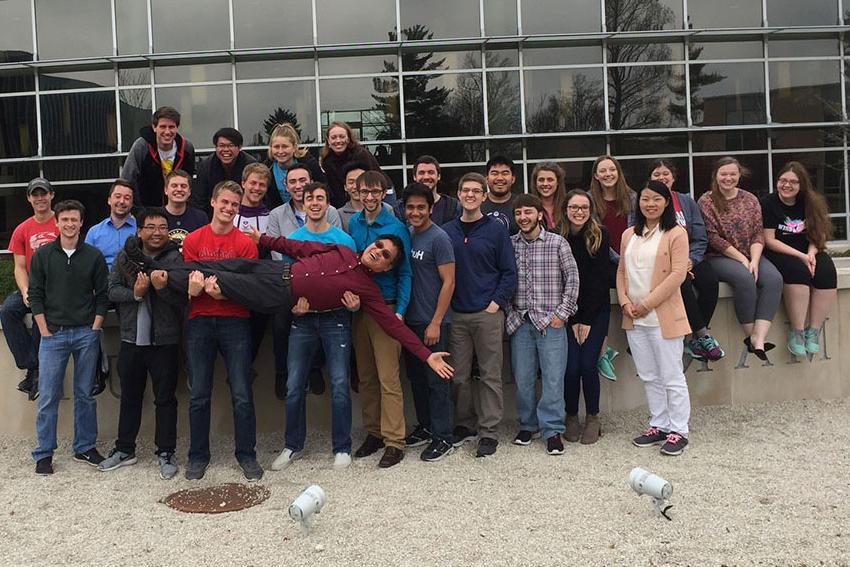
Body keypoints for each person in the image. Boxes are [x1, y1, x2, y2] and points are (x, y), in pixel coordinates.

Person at [266, 182, 358, 471]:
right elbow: (288, 280)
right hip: (303, 320)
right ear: (302, 204)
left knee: (340, 383)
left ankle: (342, 447)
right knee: (294, 385)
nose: (315, 203)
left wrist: (354, 303)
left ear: (328, 204)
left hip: (336, 318)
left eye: (321, 198)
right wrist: (293, 305)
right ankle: (293, 445)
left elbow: (352, 278)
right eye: (310, 199)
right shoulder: (293, 238)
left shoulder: (344, 240)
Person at [182, 180, 262, 482]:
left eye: (234, 205)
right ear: (213, 203)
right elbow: (185, 279)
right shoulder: (193, 240)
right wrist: (191, 290)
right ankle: (198, 456)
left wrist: (223, 294)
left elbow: (250, 288)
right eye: (225, 202)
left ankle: (247, 454)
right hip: (200, 320)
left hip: (235, 321)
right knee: (199, 393)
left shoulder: (245, 244)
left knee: (241, 392)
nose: (229, 208)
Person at [99, 208, 185, 479]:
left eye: (162, 227)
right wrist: (135, 294)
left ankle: (166, 452)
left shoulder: (175, 259)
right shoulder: (125, 257)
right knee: (130, 397)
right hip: (130, 339)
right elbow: (111, 289)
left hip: (165, 340)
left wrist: (161, 289)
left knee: (165, 399)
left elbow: (182, 299)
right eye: (151, 227)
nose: (157, 232)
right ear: (139, 231)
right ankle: (125, 449)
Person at [29, 200, 109, 475]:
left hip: (85, 333)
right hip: (52, 335)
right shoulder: (43, 256)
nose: (70, 224)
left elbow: (103, 294)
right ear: (57, 223)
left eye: (74, 219)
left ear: (81, 222)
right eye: (65, 220)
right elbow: (35, 294)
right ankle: (43, 453)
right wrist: (42, 328)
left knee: (84, 394)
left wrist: (96, 326)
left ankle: (85, 447)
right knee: (49, 396)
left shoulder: (93, 256)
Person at [443, 172, 517, 457]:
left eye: (476, 191)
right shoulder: (446, 230)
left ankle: (489, 431)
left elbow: (509, 272)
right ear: (459, 195)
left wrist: (496, 303)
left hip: (487, 313)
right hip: (457, 315)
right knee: (459, 375)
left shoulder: (495, 229)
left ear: (484, 197)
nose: (471, 195)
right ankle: (465, 423)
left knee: (490, 375)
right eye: (465, 190)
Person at [617, 180, 692, 456]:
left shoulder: (675, 233)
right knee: (649, 375)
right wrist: (625, 302)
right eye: (645, 199)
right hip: (634, 318)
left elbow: (677, 274)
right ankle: (659, 424)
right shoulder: (629, 234)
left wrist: (647, 303)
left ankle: (679, 430)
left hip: (662, 316)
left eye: (656, 200)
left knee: (671, 375)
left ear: (666, 203)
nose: (650, 204)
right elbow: (622, 272)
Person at [348, 170, 412, 469]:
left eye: (376, 192)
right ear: (356, 193)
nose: (370, 197)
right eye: (364, 192)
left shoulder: (397, 228)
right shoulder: (353, 223)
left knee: (389, 378)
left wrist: (400, 310)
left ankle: (394, 441)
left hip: (386, 308)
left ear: (384, 193)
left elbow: (406, 273)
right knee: (367, 377)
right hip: (361, 308)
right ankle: (373, 432)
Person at [506, 194, 578, 456]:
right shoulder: (510, 245)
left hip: (552, 322)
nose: (523, 218)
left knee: (552, 379)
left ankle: (552, 430)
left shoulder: (557, 243)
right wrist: (509, 313)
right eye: (518, 214)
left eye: (528, 212)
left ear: (539, 214)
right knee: (523, 378)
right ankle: (528, 425)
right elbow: (502, 279)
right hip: (521, 322)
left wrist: (562, 313)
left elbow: (572, 280)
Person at [266, 164, 343, 398]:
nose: (298, 185)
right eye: (293, 182)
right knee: (280, 322)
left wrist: (315, 276)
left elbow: (335, 250)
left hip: (322, 280)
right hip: (289, 280)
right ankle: (281, 371)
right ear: (286, 186)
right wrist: (300, 277)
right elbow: (277, 251)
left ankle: (314, 368)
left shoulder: (330, 211)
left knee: (322, 315)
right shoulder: (276, 215)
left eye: (303, 180)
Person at [698, 157, 783, 360]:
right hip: (719, 256)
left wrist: (753, 260)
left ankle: (759, 337)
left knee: (774, 279)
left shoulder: (750, 199)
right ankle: (750, 335)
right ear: (716, 176)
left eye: (732, 174)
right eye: (723, 174)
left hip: (750, 251)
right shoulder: (706, 201)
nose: (728, 178)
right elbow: (712, 237)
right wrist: (743, 261)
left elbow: (757, 233)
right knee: (745, 278)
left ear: (739, 175)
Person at [400, 183, 457, 462]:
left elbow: (449, 282)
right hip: (410, 321)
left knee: (437, 382)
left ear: (430, 208)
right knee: (417, 381)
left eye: (421, 207)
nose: (415, 212)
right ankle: (425, 427)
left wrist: (435, 322)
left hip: (433, 322)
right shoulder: (407, 235)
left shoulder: (439, 238)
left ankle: (443, 435)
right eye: (410, 207)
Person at [648, 160, 723, 362]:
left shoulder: (686, 202)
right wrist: (675, 265)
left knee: (709, 282)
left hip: (692, 258)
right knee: (682, 283)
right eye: (656, 174)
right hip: (663, 263)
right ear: (650, 178)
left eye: (666, 174)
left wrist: (690, 260)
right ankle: (702, 335)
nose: (662, 178)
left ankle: (697, 338)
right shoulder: (646, 202)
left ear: (673, 177)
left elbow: (700, 237)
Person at [762, 161, 837, 356]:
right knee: (798, 272)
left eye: (793, 182)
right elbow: (769, 241)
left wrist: (811, 254)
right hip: (780, 250)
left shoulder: (811, 202)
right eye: (782, 180)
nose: (786, 185)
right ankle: (797, 332)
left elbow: (817, 233)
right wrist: (802, 257)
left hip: (808, 248)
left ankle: (813, 330)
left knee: (827, 272)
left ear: (801, 185)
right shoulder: (768, 203)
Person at [560, 190, 609, 445]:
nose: (578, 212)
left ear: (590, 210)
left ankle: (592, 416)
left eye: (583, 207)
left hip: (595, 311)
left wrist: (586, 320)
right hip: (567, 312)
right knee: (570, 367)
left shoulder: (599, 235)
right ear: (565, 209)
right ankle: (570, 415)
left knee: (588, 364)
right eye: (573, 207)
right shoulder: (558, 237)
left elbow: (599, 281)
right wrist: (573, 317)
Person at [2, 177, 58, 400]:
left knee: (39, 315)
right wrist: (25, 291)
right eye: (35, 194)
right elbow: (19, 266)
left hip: (55, 289)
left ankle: (34, 373)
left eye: (44, 193)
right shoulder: (22, 229)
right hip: (32, 286)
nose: (40, 198)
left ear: (52, 195)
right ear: (29, 198)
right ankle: (31, 365)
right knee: (7, 310)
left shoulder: (62, 223)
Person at [589, 154, 635, 379]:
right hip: (604, 262)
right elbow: (596, 235)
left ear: (618, 172)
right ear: (596, 176)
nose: (608, 174)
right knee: (600, 295)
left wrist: (628, 259)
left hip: (632, 259)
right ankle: (603, 350)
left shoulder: (633, 198)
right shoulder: (590, 201)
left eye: (612, 170)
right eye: (603, 171)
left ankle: (636, 343)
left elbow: (639, 231)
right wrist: (620, 259)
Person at [121, 106, 195, 207]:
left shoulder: (187, 148)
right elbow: (128, 179)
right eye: (163, 127)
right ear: (154, 127)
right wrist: (138, 210)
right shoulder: (141, 147)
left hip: (177, 210)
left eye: (171, 127)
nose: (167, 132)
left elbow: (189, 183)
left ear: (177, 128)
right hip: (148, 211)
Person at [193, 127, 257, 215]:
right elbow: (200, 201)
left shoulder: (251, 166)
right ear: (216, 147)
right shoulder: (205, 166)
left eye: (230, 145)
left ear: (239, 147)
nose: (226, 150)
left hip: (244, 215)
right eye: (222, 146)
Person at [320, 121, 382, 208]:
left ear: (348, 139)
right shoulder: (327, 161)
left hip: (379, 192)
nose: (338, 141)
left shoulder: (361, 153)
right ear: (328, 141)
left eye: (342, 137)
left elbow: (375, 178)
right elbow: (336, 191)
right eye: (333, 137)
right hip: (350, 201)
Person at [263, 122, 326, 210]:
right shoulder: (267, 169)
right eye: (276, 147)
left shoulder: (309, 164)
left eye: (285, 146)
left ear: (294, 147)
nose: (280, 151)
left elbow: (324, 190)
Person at [84, 179, 136, 270]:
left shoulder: (140, 230)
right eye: (118, 196)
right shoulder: (94, 232)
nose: (122, 201)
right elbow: (86, 264)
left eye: (127, 198)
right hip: (102, 282)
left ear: (132, 203)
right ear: (109, 200)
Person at [393, 155, 461, 225]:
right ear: (414, 177)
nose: (426, 177)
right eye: (421, 173)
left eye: (431, 172)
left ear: (439, 176)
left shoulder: (453, 207)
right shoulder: (400, 208)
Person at [162, 169, 208, 249]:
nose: (179, 189)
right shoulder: (155, 216)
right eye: (174, 186)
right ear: (166, 190)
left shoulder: (201, 218)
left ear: (189, 192)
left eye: (183, 186)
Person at [481, 155, 519, 235]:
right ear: (487, 179)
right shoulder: (477, 204)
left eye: (505, 173)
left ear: (513, 179)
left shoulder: (521, 204)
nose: (500, 178)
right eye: (494, 173)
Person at [531, 161, 566, 230]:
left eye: (550, 180)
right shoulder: (528, 206)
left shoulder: (567, 206)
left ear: (558, 182)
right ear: (535, 182)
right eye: (541, 180)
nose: (545, 184)